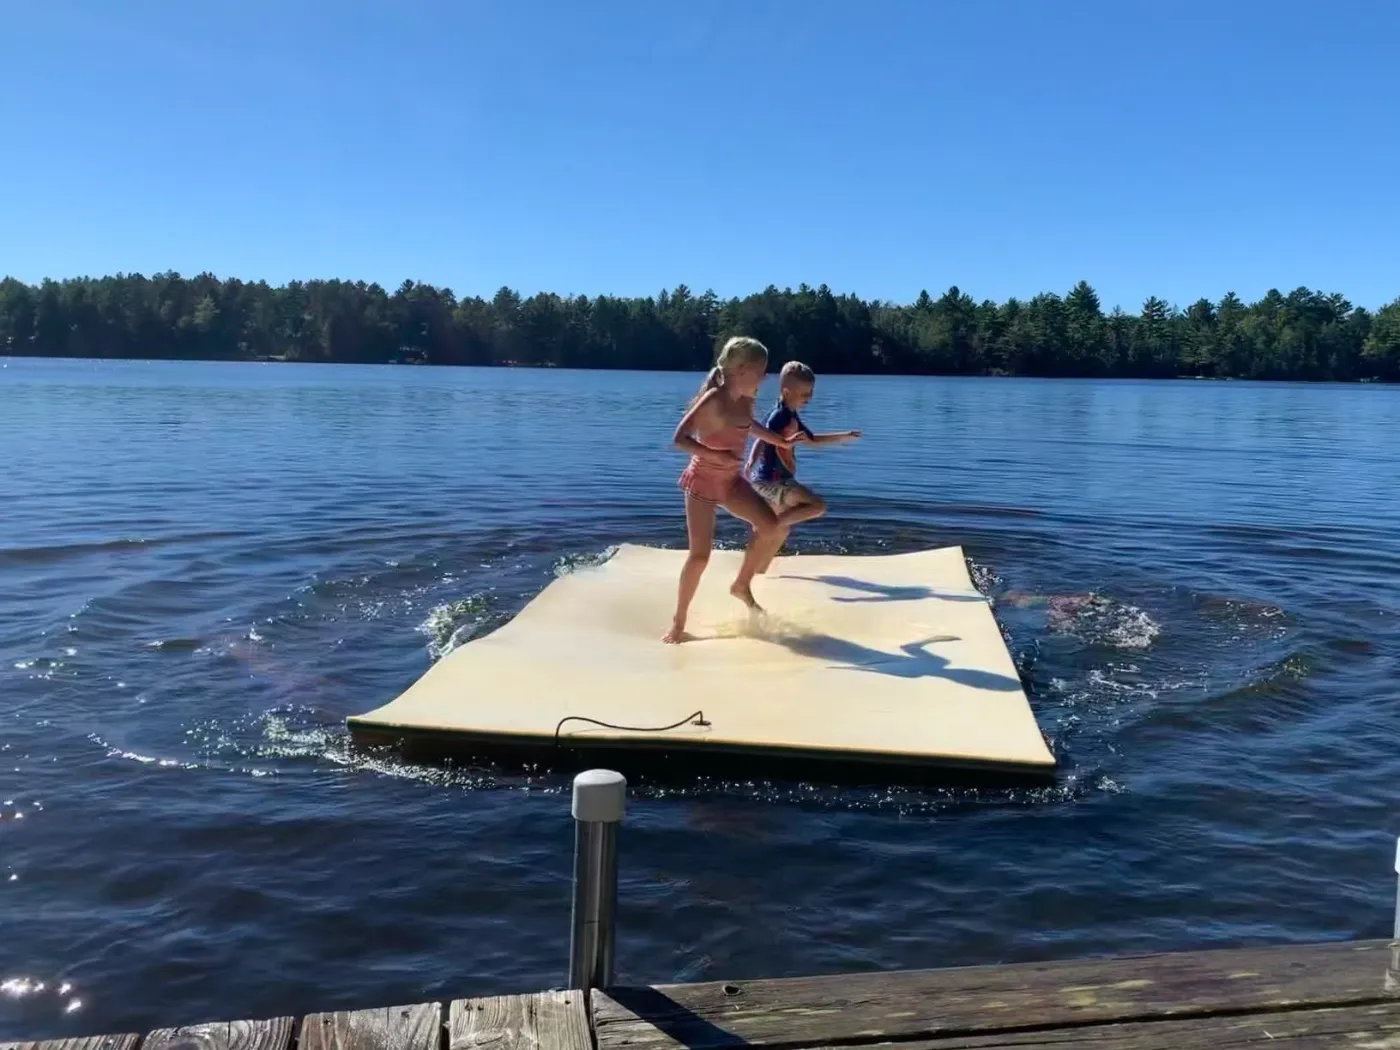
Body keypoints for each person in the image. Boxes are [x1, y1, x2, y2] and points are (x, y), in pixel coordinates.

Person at [664, 337, 805, 644]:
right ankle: (678, 624)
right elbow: (680, 439)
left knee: (771, 527)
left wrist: (780, 442)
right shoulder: (714, 399)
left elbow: (747, 425)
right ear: (741, 370)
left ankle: (741, 585)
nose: (765, 378)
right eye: (761, 370)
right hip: (702, 483)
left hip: (731, 483)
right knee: (700, 557)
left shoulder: (746, 400)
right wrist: (716, 456)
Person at [744, 360, 860, 573]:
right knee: (816, 506)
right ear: (787, 392)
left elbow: (812, 439)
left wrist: (843, 437)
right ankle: (769, 523)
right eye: (805, 394)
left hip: (771, 480)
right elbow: (762, 437)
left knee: (782, 531)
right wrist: (751, 460)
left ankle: (759, 570)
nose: (809, 399)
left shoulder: (791, 414)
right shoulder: (780, 415)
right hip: (773, 479)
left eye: (810, 393)